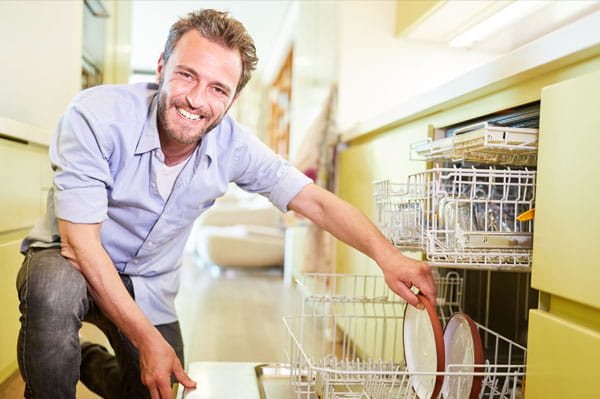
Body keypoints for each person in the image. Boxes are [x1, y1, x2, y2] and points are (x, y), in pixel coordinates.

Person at [16, 8, 436, 399]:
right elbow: (81, 246)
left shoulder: (235, 146)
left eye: (218, 88)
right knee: (51, 291)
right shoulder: (96, 116)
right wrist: (147, 340)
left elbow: (316, 203)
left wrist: (389, 257)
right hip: (69, 258)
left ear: (232, 99)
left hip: (148, 283)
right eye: (186, 76)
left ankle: (85, 360)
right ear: (161, 69)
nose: (197, 100)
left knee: (154, 389)